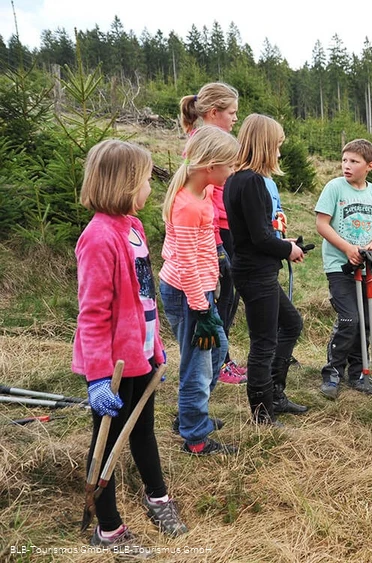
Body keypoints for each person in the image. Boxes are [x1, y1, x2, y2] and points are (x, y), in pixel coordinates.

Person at [73, 139, 188, 549]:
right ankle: (108, 528)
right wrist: (99, 377)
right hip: (113, 367)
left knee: (143, 431)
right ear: (123, 183)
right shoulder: (98, 237)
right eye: (144, 180)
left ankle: (157, 496)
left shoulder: (133, 228)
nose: (149, 189)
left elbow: (144, 297)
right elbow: (93, 314)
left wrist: (155, 348)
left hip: (140, 357)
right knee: (106, 443)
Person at [224, 114, 309, 424]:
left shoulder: (238, 179)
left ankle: (275, 394)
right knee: (264, 342)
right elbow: (259, 237)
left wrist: (283, 242)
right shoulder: (252, 182)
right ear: (265, 145)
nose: (280, 152)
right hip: (254, 272)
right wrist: (288, 248)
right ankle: (262, 413)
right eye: (277, 146)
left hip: (257, 269)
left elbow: (255, 232)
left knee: (291, 324)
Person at [159, 126, 239, 456]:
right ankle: (195, 435)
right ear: (210, 166)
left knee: (217, 353)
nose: (231, 172)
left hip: (201, 291)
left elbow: (202, 245)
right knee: (198, 365)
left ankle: (190, 414)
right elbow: (187, 263)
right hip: (189, 294)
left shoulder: (203, 195)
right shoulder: (187, 206)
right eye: (229, 166)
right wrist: (202, 308)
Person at [179, 82, 246, 385]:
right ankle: (219, 361)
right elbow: (206, 196)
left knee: (229, 296)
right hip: (215, 230)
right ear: (214, 112)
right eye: (231, 112)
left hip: (226, 226)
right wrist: (219, 243)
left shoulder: (220, 141)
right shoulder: (203, 146)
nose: (235, 118)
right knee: (221, 297)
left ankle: (223, 358)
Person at [315, 139, 372, 399]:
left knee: (366, 323)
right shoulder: (334, 188)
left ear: (369, 166)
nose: (347, 165)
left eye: (354, 161)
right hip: (340, 267)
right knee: (349, 320)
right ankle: (333, 372)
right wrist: (348, 248)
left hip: (368, 270)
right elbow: (322, 224)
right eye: (345, 160)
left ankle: (357, 371)